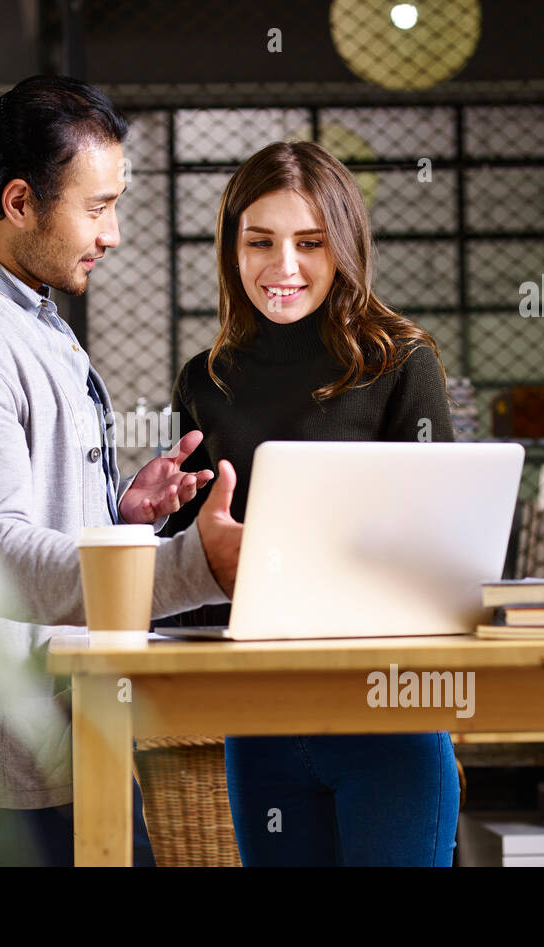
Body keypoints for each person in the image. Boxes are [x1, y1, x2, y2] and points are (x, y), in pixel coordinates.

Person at [0, 75, 244, 866]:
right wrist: (192, 564)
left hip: (63, 732)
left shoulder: (29, 318)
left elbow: (24, 517)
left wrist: (118, 517)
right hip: (6, 763)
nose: (111, 234)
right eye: (98, 205)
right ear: (19, 203)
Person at [155, 140, 460, 866]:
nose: (283, 267)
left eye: (310, 243)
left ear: (344, 246)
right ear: (233, 247)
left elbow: (448, 555)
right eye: (260, 241)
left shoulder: (401, 362)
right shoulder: (206, 379)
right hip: (259, 717)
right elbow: (189, 564)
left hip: (389, 713)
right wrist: (158, 517)